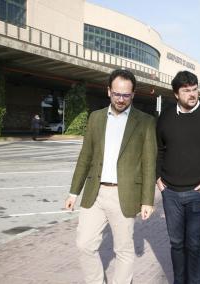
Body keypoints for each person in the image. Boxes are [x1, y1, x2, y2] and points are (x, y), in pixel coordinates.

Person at [64, 69, 157, 284]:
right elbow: (85, 156)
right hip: (94, 193)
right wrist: (73, 192)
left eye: (126, 95)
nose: (121, 99)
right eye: (117, 94)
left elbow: (149, 163)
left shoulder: (145, 122)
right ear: (108, 91)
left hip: (124, 194)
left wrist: (147, 200)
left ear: (133, 95)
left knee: (123, 249)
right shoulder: (96, 118)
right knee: (84, 244)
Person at [156, 71, 200, 284]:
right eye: (186, 90)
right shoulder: (166, 116)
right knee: (177, 243)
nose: (192, 94)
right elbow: (159, 150)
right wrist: (158, 179)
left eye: (195, 89)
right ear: (176, 94)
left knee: (195, 244)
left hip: (199, 193)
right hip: (170, 193)